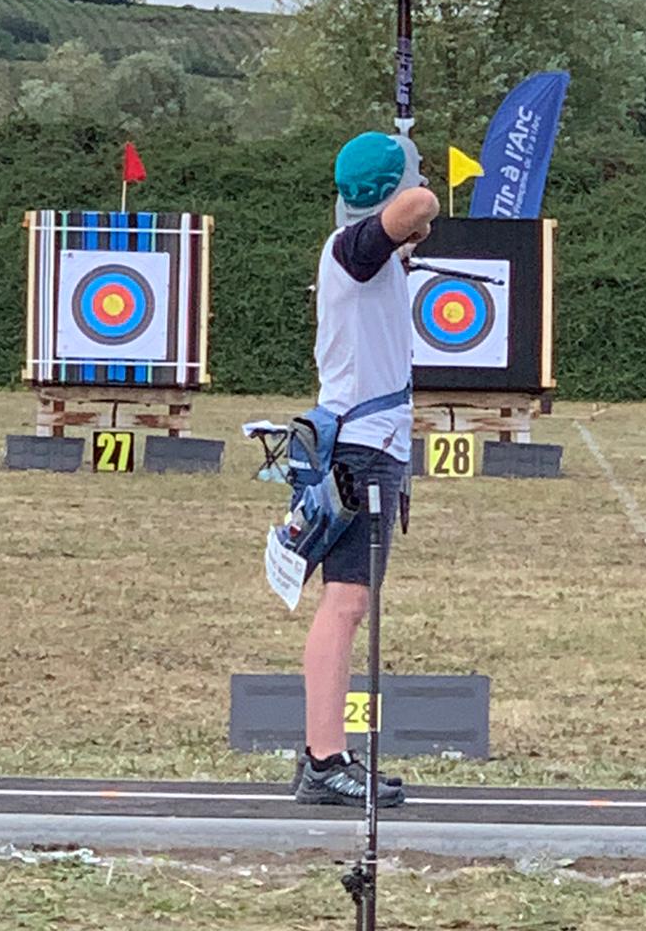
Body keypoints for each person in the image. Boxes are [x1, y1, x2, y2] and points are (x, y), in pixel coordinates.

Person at [294, 129, 439, 808]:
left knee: (350, 603)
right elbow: (417, 207)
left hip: (370, 444)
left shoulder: (368, 258)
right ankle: (324, 760)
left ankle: (325, 755)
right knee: (346, 602)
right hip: (360, 448)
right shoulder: (350, 252)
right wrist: (412, 186)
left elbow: (405, 223)